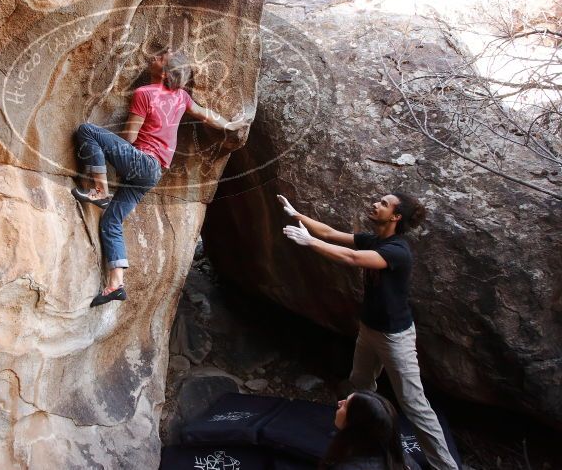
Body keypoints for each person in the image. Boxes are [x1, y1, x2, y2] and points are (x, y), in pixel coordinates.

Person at [278, 192, 458, 470]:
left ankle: (445, 466)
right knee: (360, 387)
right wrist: (296, 214)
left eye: (384, 204)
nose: (375, 204)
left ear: (396, 217)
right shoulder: (375, 240)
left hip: (395, 337)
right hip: (369, 329)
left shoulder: (397, 251)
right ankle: (354, 440)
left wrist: (309, 242)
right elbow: (330, 233)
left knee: (414, 405)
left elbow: (351, 258)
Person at [74, 49, 249, 307]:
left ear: (165, 73)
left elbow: (131, 138)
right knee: (112, 220)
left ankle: (99, 191)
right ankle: (115, 284)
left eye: (160, 58)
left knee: (87, 131)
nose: (154, 57)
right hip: (153, 173)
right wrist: (230, 125)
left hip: (142, 162)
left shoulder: (144, 93)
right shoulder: (181, 97)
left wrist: (116, 152)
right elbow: (205, 115)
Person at [323, 390, 415, 470]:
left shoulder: (347, 467)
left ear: (356, 422)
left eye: (346, 405)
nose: (339, 403)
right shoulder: (399, 457)